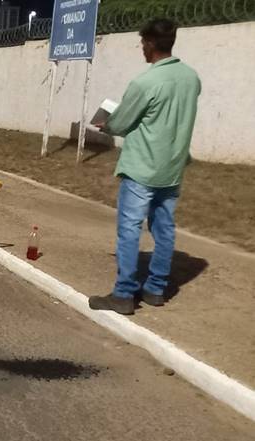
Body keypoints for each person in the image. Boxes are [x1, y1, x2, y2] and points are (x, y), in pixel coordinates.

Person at [89, 19, 201, 315]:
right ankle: (155, 289)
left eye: (142, 44)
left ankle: (124, 294)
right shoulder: (191, 78)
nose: (142, 49)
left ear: (150, 44)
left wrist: (107, 124)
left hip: (142, 167)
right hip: (172, 167)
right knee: (164, 229)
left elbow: (122, 122)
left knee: (129, 229)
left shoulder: (145, 82)